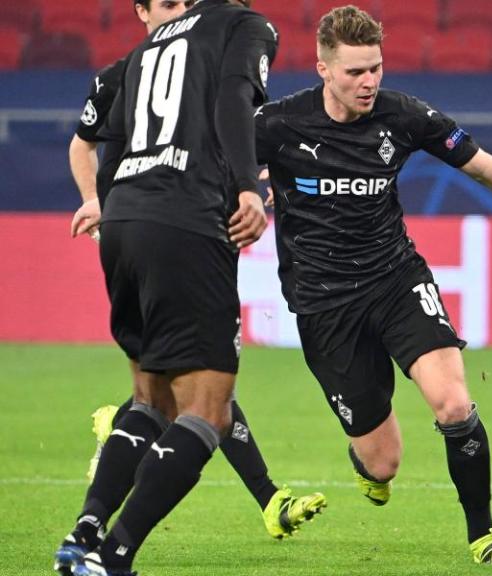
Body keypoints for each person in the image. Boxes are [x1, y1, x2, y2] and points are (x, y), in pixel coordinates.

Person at [254, 5, 492, 566]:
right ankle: (369, 466)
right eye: (355, 71)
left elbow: (479, 165)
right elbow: (213, 167)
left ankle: (485, 536)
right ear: (323, 69)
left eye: (375, 67)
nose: (369, 81)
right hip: (324, 303)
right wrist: (243, 196)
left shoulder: (402, 115)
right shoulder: (276, 124)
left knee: (453, 403)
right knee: (383, 463)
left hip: (395, 278)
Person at [64, 0, 325, 548]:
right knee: (207, 405)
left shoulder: (141, 53)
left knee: (150, 400)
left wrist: (101, 201)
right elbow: (234, 103)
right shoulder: (242, 26)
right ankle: (115, 554)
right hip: (185, 223)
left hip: (126, 223)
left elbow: (132, 138)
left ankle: (84, 534)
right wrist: (247, 186)